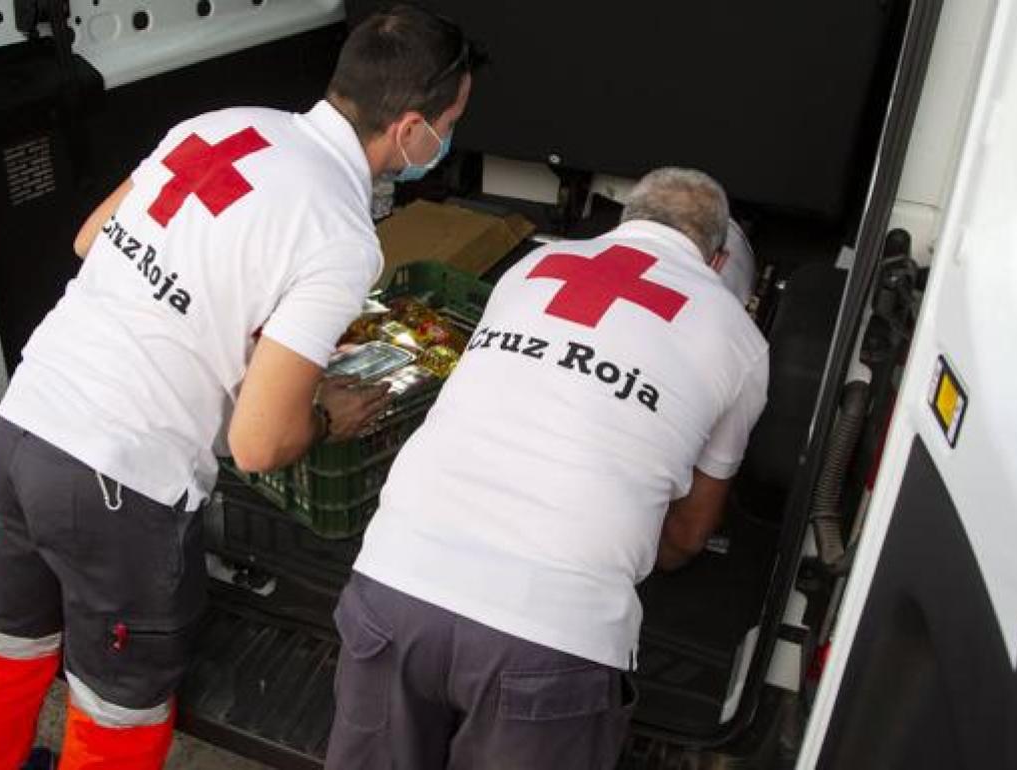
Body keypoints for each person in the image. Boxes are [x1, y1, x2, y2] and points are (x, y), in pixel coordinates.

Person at [0, 6, 481, 768]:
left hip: (25, 421)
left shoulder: (219, 123)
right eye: (450, 122)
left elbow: (92, 239)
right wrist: (327, 416)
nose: (445, 141)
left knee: (5, 639)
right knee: (116, 705)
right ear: (413, 131)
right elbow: (258, 445)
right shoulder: (339, 232)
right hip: (117, 484)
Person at [328, 167, 770, 769]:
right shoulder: (739, 338)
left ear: (626, 225)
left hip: (394, 583)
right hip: (550, 635)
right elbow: (688, 536)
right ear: (717, 262)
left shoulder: (535, 268)